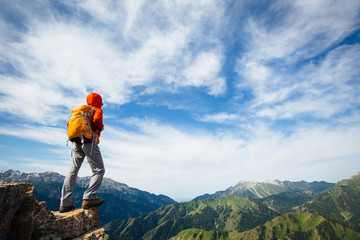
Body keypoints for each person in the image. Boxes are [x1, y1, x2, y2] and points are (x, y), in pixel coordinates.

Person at [59, 92, 105, 213]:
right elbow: (97, 121)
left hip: (76, 143)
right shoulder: (97, 110)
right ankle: (89, 197)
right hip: (89, 142)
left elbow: (69, 124)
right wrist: (101, 127)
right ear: (99, 102)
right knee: (99, 170)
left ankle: (65, 203)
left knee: (73, 171)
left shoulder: (81, 112)